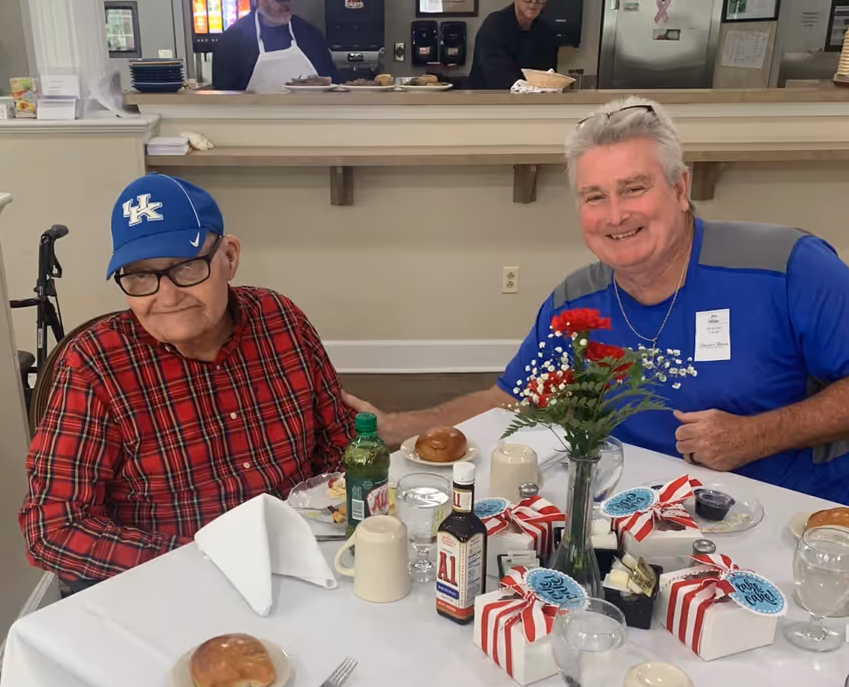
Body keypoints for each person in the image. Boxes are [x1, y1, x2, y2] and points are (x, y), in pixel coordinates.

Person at [346, 96, 849, 502]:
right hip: (633, 525)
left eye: (633, 189)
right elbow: (507, 402)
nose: (615, 215)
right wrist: (392, 426)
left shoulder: (787, 266)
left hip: (790, 523)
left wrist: (758, 435)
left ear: (680, 188)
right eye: (594, 197)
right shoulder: (575, 302)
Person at [20, 174, 354, 588]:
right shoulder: (94, 367)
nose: (166, 296)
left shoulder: (280, 319)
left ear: (229, 257)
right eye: (140, 276)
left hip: (302, 561)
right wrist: (204, 559)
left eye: (186, 267)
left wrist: (328, 523)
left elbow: (339, 444)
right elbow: (54, 529)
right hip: (173, 584)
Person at [211, 0, 337, 92]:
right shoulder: (233, 40)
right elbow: (224, 97)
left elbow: (333, 84)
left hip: (308, 111)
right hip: (256, 112)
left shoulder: (310, 35)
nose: (286, 4)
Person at [468, 0, 559, 90]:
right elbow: (498, 78)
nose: (534, 1)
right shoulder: (494, 25)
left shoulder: (547, 32)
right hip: (488, 105)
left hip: (531, 107)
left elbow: (547, 79)